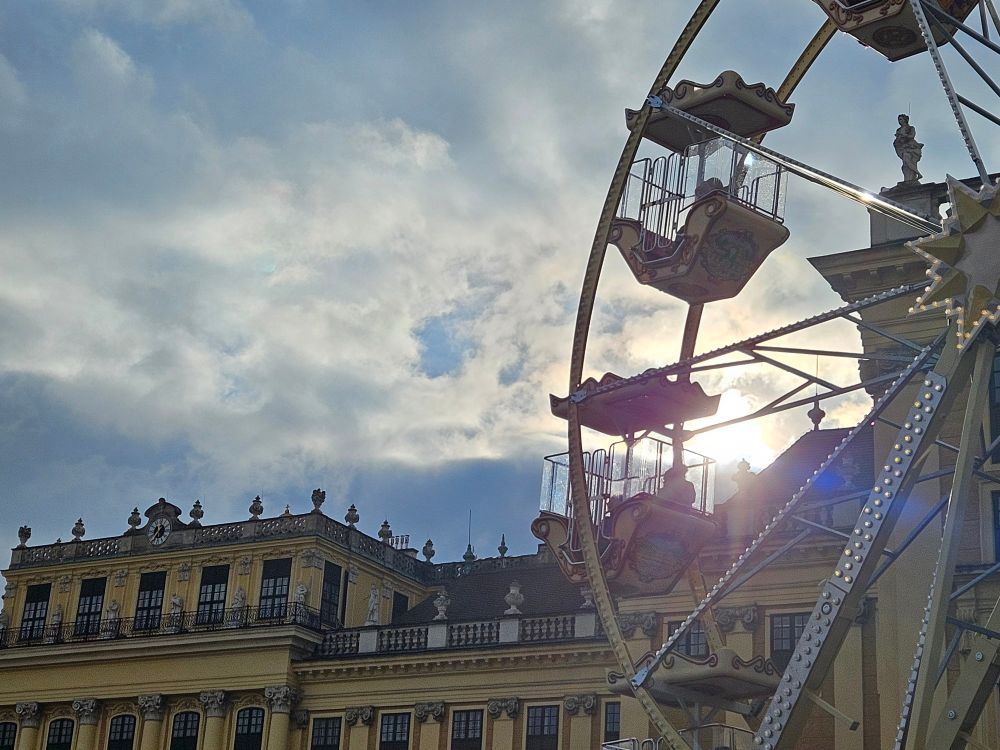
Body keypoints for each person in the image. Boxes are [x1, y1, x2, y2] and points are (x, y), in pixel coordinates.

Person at [893, 114, 923, 183]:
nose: (899, 121)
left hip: (911, 147)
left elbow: (912, 136)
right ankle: (909, 180)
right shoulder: (898, 130)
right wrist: (898, 139)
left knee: (907, 159)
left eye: (901, 119)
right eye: (899, 120)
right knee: (905, 166)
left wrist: (904, 136)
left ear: (905, 120)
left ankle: (918, 174)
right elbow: (897, 140)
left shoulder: (911, 128)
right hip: (902, 148)